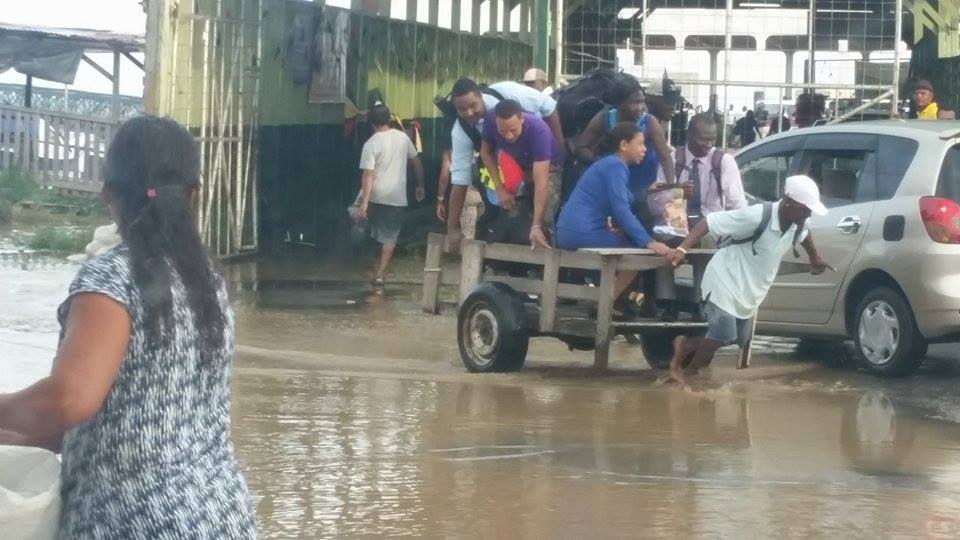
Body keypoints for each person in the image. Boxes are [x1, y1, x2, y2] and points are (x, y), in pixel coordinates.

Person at [0, 116, 257, 537]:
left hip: (136, 520)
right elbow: (122, 422)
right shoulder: (206, 283)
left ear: (108, 194)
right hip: (221, 513)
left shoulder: (112, 277)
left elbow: (69, 400)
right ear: (192, 196)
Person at [663, 175, 833, 385]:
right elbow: (710, 222)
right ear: (788, 203)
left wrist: (814, 257)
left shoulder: (797, 222)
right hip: (725, 278)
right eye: (805, 208)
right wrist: (682, 249)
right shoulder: (756, 216)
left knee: (738, 338)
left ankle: (686, 346)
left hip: (750, 288)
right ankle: (688, 375)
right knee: (722, 333)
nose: (808, 213)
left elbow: (804, 235)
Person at [445, 77, 565, 250]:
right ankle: (510, 263)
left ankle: (547, 261)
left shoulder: (511, 95)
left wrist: (561, 149)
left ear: (481, 97)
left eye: (473, 106)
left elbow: (549, 106)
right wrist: (453, 226)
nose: (469, 113)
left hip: (544, 162)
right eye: (461, 109)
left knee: (544, 216)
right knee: (510, 216)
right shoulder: (468, 129)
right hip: (510, 167)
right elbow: (462, 178)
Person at [557, 122, 671, 299]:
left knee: (626, 244)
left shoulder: (608, 164)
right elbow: (621, 209)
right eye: (640, 144)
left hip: (569, 230)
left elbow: (621, 201)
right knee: (639, 254)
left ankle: (609, 300)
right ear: (624, 145)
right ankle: (607, 302)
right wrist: (648, 242)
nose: (645, 150)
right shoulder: (615, 165)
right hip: (581, 232)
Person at [653, 112, 748, 319]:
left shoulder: (723, 161)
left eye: (712, 139)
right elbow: (657, 198)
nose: (708, 144)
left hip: (710, 222)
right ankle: (666, 302)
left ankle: (701, 301)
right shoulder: (672, 159)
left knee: (706, 240)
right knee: (661, 238)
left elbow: (737, 203)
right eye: (702, 139)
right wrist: (677, 192)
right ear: (689, 135)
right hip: (677, 220)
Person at [357, 104, 426, 285]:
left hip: (375, 197)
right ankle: (380, 273)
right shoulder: (403, 138)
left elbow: (368, 175)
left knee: (370, 231)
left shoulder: (371, 144)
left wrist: (364, 203)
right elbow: (416, 163)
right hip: (397, 199)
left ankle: (371, 266)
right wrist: (420, 185)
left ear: (371, 122)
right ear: (389, 120)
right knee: (390, 237)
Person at [575, 76, 676, 199]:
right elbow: (581, 147)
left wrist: (672, 189)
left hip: (642, 187)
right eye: (634, 103)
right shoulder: (605, 118)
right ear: (619, 104)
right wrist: (600, 162)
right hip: (612, 185)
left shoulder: (649, 122)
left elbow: (665, 157)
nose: (640, 108)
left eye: (642, 101)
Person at [480, 99, 562, 249]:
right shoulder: (490, 120)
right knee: (510, 211)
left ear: (522, 119)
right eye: (503, 132)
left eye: (513, 130)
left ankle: (545, 259)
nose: (509, 136)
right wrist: (500, 189)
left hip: (548, 169)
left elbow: (541, 183)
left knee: (545, 214)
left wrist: (536, 225)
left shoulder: (539, 131)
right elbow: (485, 153)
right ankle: (507, 261)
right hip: (517, 167)